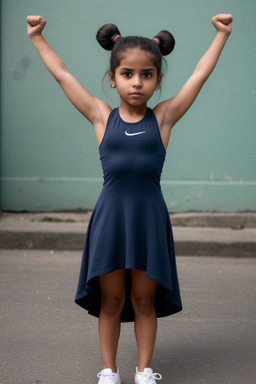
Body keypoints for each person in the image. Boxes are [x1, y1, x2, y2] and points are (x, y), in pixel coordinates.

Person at [27, 13, 232, 384]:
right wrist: (37, 37)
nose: (137, 82)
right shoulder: (101, 117)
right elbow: (63, 75)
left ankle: (143, 370)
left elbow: (200, 74)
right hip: (110, 222)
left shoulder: (164, 118)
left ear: (157, 80)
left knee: (143, 301)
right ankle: (109, 371)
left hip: (148, 221)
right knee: (110, 301)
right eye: (127, 74)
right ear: (112, 78)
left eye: (146, 75)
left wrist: (221, 35)